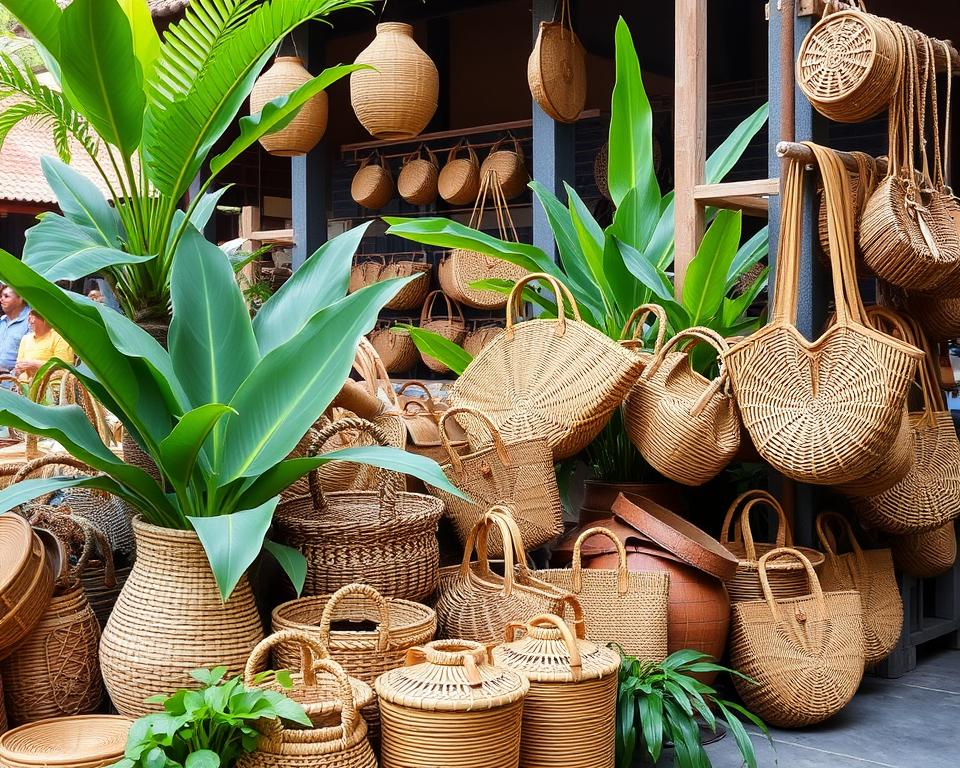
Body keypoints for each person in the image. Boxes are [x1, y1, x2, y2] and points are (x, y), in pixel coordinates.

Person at [13, 309, 74, 386]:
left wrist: (35, 364)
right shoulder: (25, 339)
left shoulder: (60, 338)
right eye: (30, 316)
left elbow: (65, 370)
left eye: (34, 317)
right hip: (25, 385)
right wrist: (19, 369)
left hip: (50, 387)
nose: (31, 321)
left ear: (45, 319)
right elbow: (19, 366)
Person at [0, 286, 29, 375]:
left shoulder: (31, 321)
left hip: (13, 381)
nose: (1, 299)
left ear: (20, 298)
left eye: (6, 296)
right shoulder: (2, 320)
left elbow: (33, 354)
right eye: (1, 296)